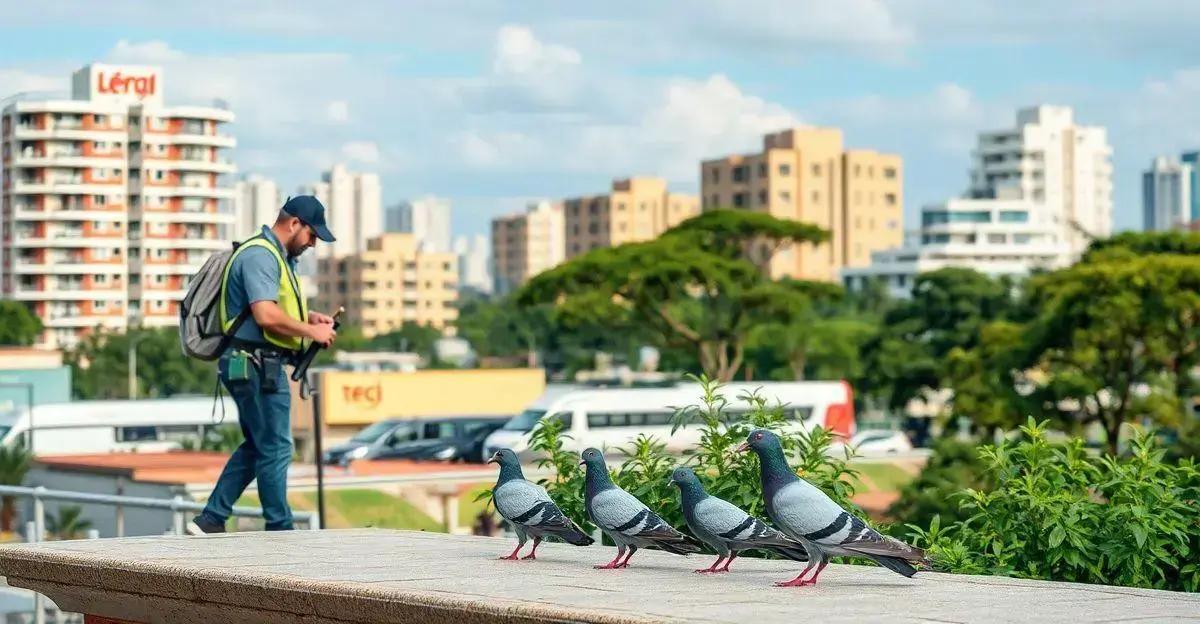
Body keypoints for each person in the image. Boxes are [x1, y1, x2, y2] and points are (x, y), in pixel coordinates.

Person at [188, 196, 338, 534]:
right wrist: (311, 330)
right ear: (294, 223)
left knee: (260, 444)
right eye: (313, 235)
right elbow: (265, 315)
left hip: (256, 363)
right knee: (277, 446)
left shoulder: (276, 257)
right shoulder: (260, 255)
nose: (313, 244)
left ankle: (211, 518)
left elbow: (270, 308)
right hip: (255, 365)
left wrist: (308, 318)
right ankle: (280, 528)